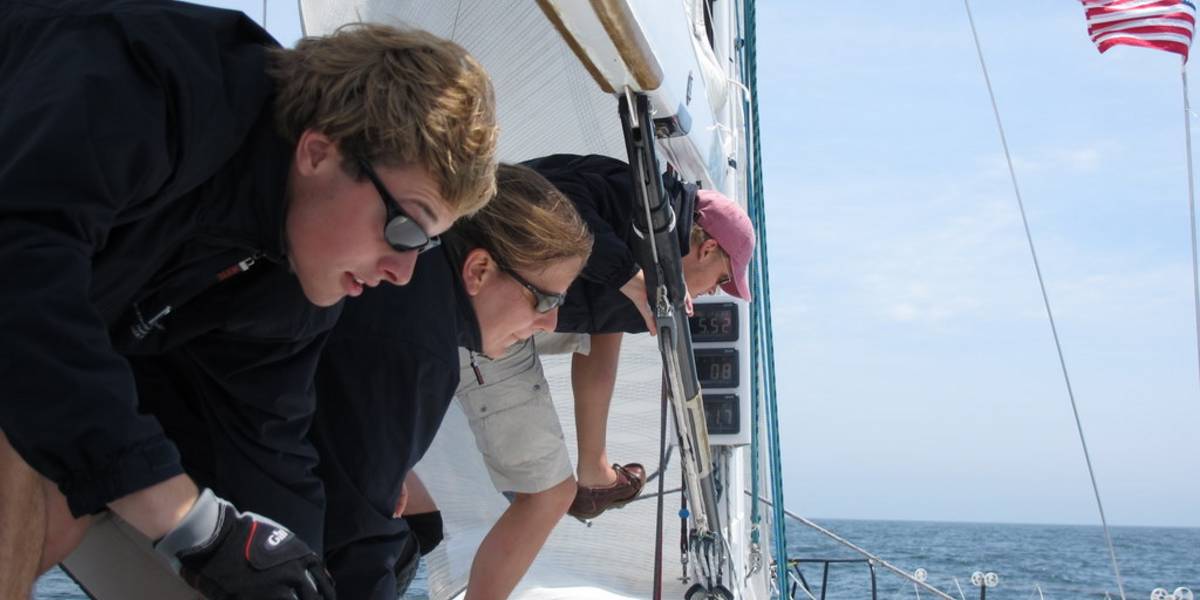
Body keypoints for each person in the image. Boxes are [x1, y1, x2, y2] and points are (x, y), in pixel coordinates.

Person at [0, 1, 498, 598]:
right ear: (319, 152)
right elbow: (22, 280)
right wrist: (193, 523)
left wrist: (296, 579)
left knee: (56, 515)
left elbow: (269, 450)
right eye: (406, 229)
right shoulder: (147, 86)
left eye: (429, 243)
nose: (403, 272)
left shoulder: (291, 283)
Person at [457, 153, 755, 598]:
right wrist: (633, 280)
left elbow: (602, 331)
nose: (715, 291)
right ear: (707, 248)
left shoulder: (656, 266)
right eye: (722, 278)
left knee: (604, 326)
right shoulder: (634, 196)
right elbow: (547, 197)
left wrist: (638, 288)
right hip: (482, 310)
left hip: (514, 308)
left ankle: (594, 473)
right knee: (548, 496)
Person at [310, 164, 593, 598]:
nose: (551, 323)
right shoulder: (421, 353)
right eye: (544, 300)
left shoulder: (416, 285)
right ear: (478, 270)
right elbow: (355, 540)